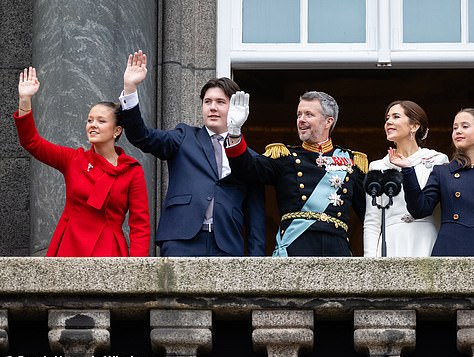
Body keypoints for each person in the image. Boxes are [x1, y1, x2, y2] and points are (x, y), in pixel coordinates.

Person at [117, 50, 265, 256]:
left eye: (220, 102)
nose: (212, 108)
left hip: (227, 245)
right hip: (181, 240)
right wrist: (130, 89)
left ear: (236, 107)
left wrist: (256, 262)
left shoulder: (251, 159)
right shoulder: (184, 136)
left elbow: (256, 217)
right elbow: (142, 137)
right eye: (207, 102)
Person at [13, 67, 150, 257]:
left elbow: (140, 225)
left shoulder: (132, 170)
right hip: (70, 245)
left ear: (117, 131)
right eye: (89, 120)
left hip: (109, 251)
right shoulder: (73, 159)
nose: (93, 125)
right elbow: (32, 142)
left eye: (101, 121)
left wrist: (137, 271)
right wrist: (25, 100)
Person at [224, 90, 367, 257]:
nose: (301, 120)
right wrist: (234, 132)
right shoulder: (285, 157)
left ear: (328, 121)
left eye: (309, 114)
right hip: (296, 248)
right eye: (299, 114)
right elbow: (247, 168)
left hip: (336, 250)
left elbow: (371, 215)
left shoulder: (351, 162)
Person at [389, 108, 474, 256]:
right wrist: (408, 170)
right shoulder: (442, 172)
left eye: (465, 126)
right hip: (449, 250)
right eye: (455, 127)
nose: (458, 131)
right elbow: (420, 209)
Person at [363, 101, 449, 257]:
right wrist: (369, 259)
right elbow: (372, 219)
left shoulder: (438, 160)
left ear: (414, 126)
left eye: (396, 117)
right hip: (390, 241)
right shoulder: (378, 166)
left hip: (426, 237)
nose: (388, 122)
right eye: (387, 118)